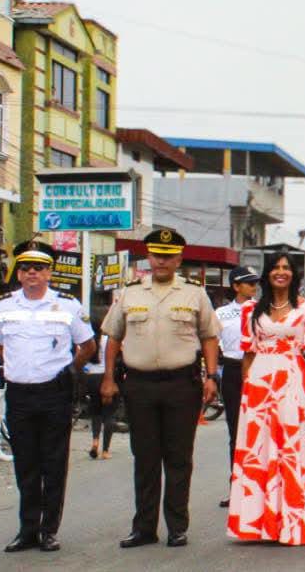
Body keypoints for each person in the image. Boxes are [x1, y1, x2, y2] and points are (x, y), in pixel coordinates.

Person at [99, 229, 221, 549]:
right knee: (145, 457)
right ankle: (144, 528)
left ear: (179, 259)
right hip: (140, 385)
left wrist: (211, 376)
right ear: (148, 258)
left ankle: (177, 526)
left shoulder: (195, 293)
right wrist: (109, 377)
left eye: (168, 256)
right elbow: (113, 337)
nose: (162, 261)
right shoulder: (130, 294)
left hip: (182, 384)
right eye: (156, 255)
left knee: (179, 457)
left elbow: (209, 336)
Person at [0, 240, 96, 553]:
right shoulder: (4, 306)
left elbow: (88, 345)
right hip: (20, 393)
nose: (31, 273)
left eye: (38, 268)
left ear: (49, 273)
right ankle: (27, 530)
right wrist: (18, 366)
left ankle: (49, 530)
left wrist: (69, 370)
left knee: (54, 462)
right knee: (25, 463)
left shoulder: (68, 305)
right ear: (18, 273)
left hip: (54, 392)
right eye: (25, 268)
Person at [226, 252, 305, 545]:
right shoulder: (251, 309)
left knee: (293, 448)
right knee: (259, 451)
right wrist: (247, 392)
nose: (281, 272)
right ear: (267, 273)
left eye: (286, 267)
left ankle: (295, 524)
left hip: (294, 380)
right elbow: (248, 354)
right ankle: (259, 524)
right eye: (275, 267)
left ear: (294, 274)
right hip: (259, 386)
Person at [215, 265, 260, 507]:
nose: (254, 287)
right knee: (236, 431)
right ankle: (237, 487)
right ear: (235, 286)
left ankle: (259, 488)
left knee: (259, 430)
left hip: (260, 370)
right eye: (249, 283)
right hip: (233, 370)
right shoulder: (221, 313)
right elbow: (213, 342)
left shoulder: (264, 310)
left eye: (255, 283)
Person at [82, 334, 115, 461]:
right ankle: (105, 450)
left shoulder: (88, 340)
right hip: (105, 376)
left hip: (90, 377)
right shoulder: (108, 340)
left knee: (96, 412)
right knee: (109, 413)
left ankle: (95, 441)